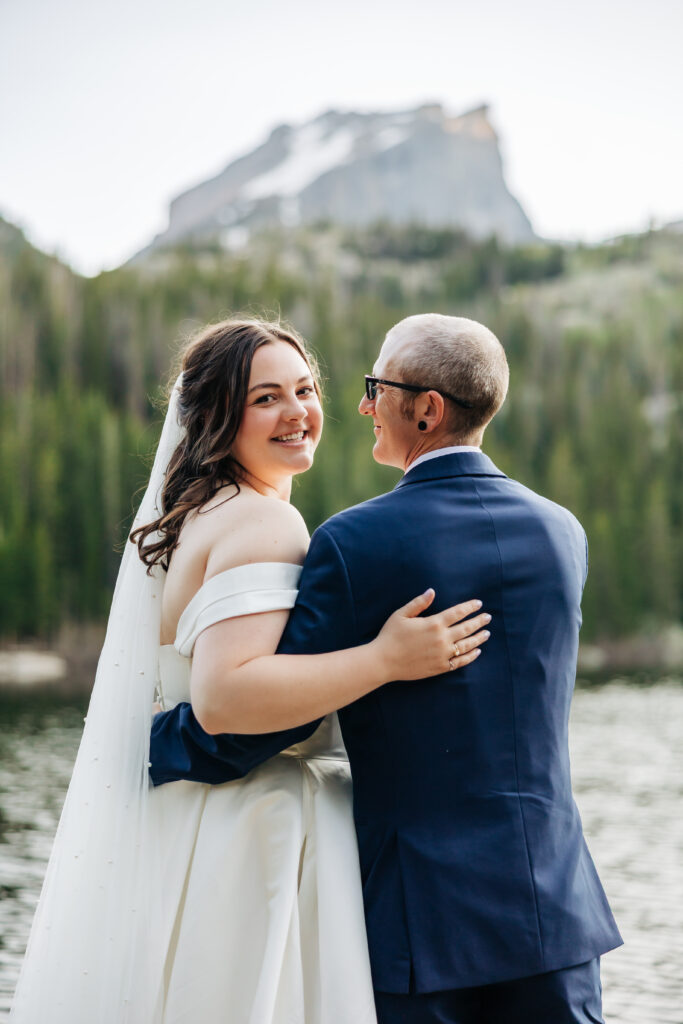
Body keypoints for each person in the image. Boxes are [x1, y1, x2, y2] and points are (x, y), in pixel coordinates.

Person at [9, 318, 489, 1024]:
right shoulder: (264, 522)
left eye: (304, 389)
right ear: (217, 417)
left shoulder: (199, 512)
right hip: (251, 829)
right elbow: (225, 700)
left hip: (191, 822)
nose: (297, 413)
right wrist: (384, 660)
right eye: (266, 398)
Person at [150, 314, 623, 1024]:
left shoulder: (354, 542)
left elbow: (266, 721)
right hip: (552, 909)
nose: (363, 405)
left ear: (425, 409)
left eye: (376, 387)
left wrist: (156, 744)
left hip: (421, 919)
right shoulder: (562, 531)